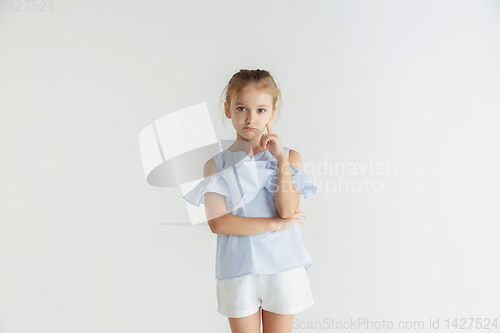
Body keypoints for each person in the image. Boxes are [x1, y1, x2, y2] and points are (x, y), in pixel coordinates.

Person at [183, 69, 319, 333]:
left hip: (282, 267)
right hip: (237, 270)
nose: (250, 118)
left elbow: (287, 209)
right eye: (242, 108)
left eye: (260, 110)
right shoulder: (216, 165)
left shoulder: (289, 158)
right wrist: (275, 225)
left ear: (272, 113)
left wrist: (280, 160)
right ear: (228, 109)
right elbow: (219, 223)